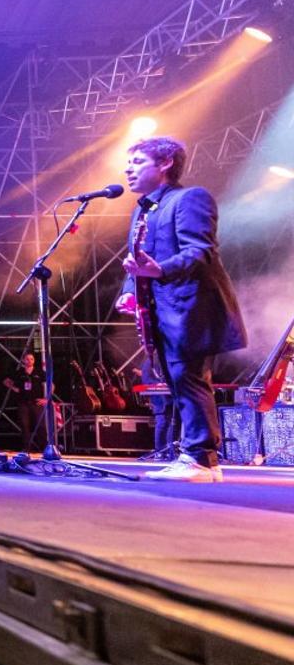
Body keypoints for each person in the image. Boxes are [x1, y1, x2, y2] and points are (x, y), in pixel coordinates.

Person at [116, 136, 247, 482]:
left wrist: (159, 271)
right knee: (178, 381)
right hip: (162, 310)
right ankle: (196, 456)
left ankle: (202, 459)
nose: (128, 168)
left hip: (192, 307)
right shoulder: (142, 210)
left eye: (138, 161)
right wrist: (130, 290)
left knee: (190, 379)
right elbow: (137, 260)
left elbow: (200, 251)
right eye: (128, 162)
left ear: (165, 164)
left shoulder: (189, 198)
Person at [3, 351, 46, 452]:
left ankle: (43, 447)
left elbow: (51, 385)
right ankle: (26, 448)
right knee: (24, 426)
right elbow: (6, 381)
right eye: (27, 359)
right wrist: (14, 388)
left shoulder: (39, 372)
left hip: (37, 402)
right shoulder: (19, 373)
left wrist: (46, 398)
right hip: (23, 403)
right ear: (23, 360)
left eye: (31, 359)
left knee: (41, 426)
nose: (29, 361)